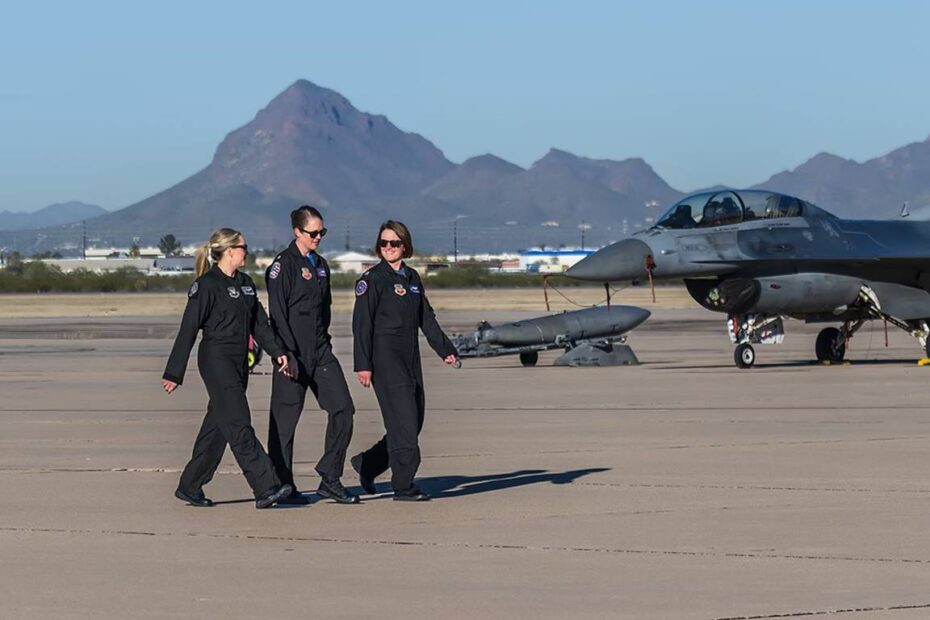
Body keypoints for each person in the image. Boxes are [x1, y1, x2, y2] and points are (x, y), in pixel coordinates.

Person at [162, 228, 294, 509]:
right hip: (215, 360)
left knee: (219, 426)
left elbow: (260, 324)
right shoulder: (206, 285)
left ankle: (190, 485)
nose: (248, 251)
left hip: (238, 361)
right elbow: (188, 330)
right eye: (244, 247)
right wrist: (174, 372)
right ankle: (265, 485)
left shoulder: (246, 284)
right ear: (230, 250)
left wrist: (278, 353)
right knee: (238, 421)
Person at [350, 220, 459, 501]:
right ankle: (403, 484)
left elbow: (426, 318)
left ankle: (369, 463)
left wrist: (445, 349)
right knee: (404, 424)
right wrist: (363, 364)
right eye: (384, 243)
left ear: (405, 245)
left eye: (394, 243)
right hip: (384, 358)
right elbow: (361, 324)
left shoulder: (411, 279)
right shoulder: (371, 280)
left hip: (409, 357)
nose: (389, 248)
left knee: (414, 418)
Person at [265, 206, 359, 505]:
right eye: (313, 233)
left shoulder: (320, 265)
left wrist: (324, 343)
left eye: (322, 232)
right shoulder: (282, 266)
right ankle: (282, 486)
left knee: (343, 409)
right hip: (291, 355)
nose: (319, 237)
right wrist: (285, 354)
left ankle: (330, 477)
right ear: (297, 232)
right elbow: (277, 315)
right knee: (284, 424)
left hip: (320, 351)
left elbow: (325, 309)